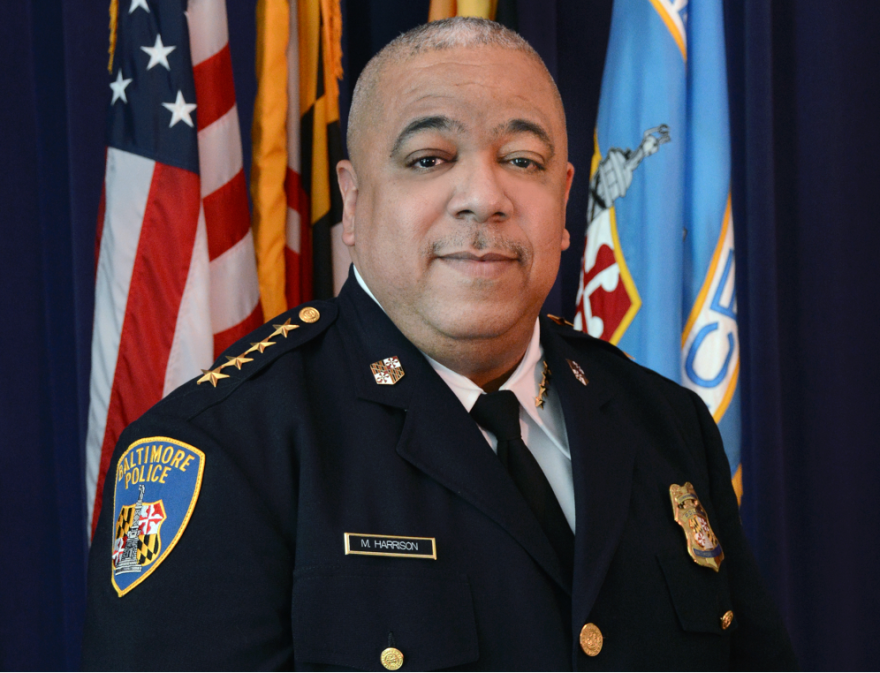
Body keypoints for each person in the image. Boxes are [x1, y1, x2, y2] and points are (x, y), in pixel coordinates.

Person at [83, 17, 798, 671]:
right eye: (429, 159)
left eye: (522, 160)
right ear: (354, 202)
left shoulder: (666, 426)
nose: (482, 196)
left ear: (566, 201)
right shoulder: (229, 449)